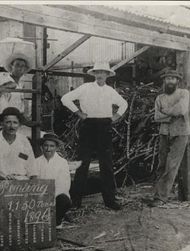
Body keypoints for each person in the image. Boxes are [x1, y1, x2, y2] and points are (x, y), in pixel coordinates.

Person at [61, 61, 128, 210]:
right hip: (88, 126)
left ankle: (110, 201)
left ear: (107, 75)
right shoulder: (85, 88)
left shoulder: (110, 90)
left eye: (103, 73)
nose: (100, 75)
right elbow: (65, 98)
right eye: (97, 72)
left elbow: (124, 104)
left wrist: (116, 116)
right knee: (82, 163)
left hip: (105, 126)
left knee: (107, 164)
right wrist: (78, 113)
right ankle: (76, 201)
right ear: (94, 74)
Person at [149, 69, 190, 207]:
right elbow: (157, 117)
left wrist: (166, 112)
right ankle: (160, 194)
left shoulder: (183, 93)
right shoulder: (159, 98)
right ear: (164, 81)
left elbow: (182, 110)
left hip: (180, 132)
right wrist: (172, 115)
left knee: (172, 164)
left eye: (173, 79)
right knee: (161, 164)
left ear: (177, 81)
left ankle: (161, 197)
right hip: (164, 132)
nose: (170, 81)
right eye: (168, 79)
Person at [36, 133, 72, 227]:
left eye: (52, 146)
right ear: (42, 147)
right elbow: (32, 181)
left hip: (55, 196)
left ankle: (57, 221)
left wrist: (49, 198)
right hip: (39, 197)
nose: (48, 149)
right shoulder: (36, 162)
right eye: (46, 145)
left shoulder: (62, 162)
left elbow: (64, 186)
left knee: (64, 200)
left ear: (56, 148)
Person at [0, 107, 37, 180]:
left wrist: (34, 181)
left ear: (19, 124)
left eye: (15, 122)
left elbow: (31, 164)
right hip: (0, 181)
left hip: (22, 182)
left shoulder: (24, 140)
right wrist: (1, 177)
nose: (12, 126)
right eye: (8, 122)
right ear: (2, 123)